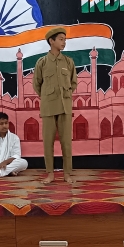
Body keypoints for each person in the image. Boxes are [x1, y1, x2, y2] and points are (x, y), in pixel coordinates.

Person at [33, 27, 77, 185]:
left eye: (65, 39)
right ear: (51, 41)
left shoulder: (68, 62)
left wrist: (65, 96)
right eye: (61, 39)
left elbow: (73, 83)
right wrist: (47, 97)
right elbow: (37, 84)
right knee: (48, 142)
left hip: (65, 107)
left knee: (66, 143)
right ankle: (50, 174)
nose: (64, 42)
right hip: (48, 108)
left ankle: (67, 174)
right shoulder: (42, 62)